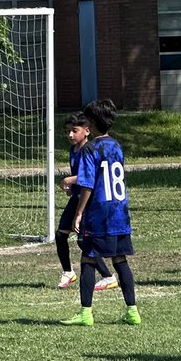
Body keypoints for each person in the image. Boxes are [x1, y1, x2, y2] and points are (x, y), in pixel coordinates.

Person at [61, 98, 141, 327]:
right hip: (119, 211)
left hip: (100, 214)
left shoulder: (90, 148)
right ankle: (132, 311)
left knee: (88, 258)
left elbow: (87, 184)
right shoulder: (116, 145)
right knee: (120, 260)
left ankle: (85, 313)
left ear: (93, 122)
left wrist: (78, 213)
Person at [54, 113, 115, 291]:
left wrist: (69, 180)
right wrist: (72, 189)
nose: (70, 135)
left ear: (87, 131)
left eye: (74, 131)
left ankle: (108, 276)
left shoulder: (90, 149)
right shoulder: (73, 150)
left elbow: (92, 176)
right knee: (60, 235)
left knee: (83, 241)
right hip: (77, 198)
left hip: (90, 201)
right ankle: (68, 272)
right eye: (68, 131)